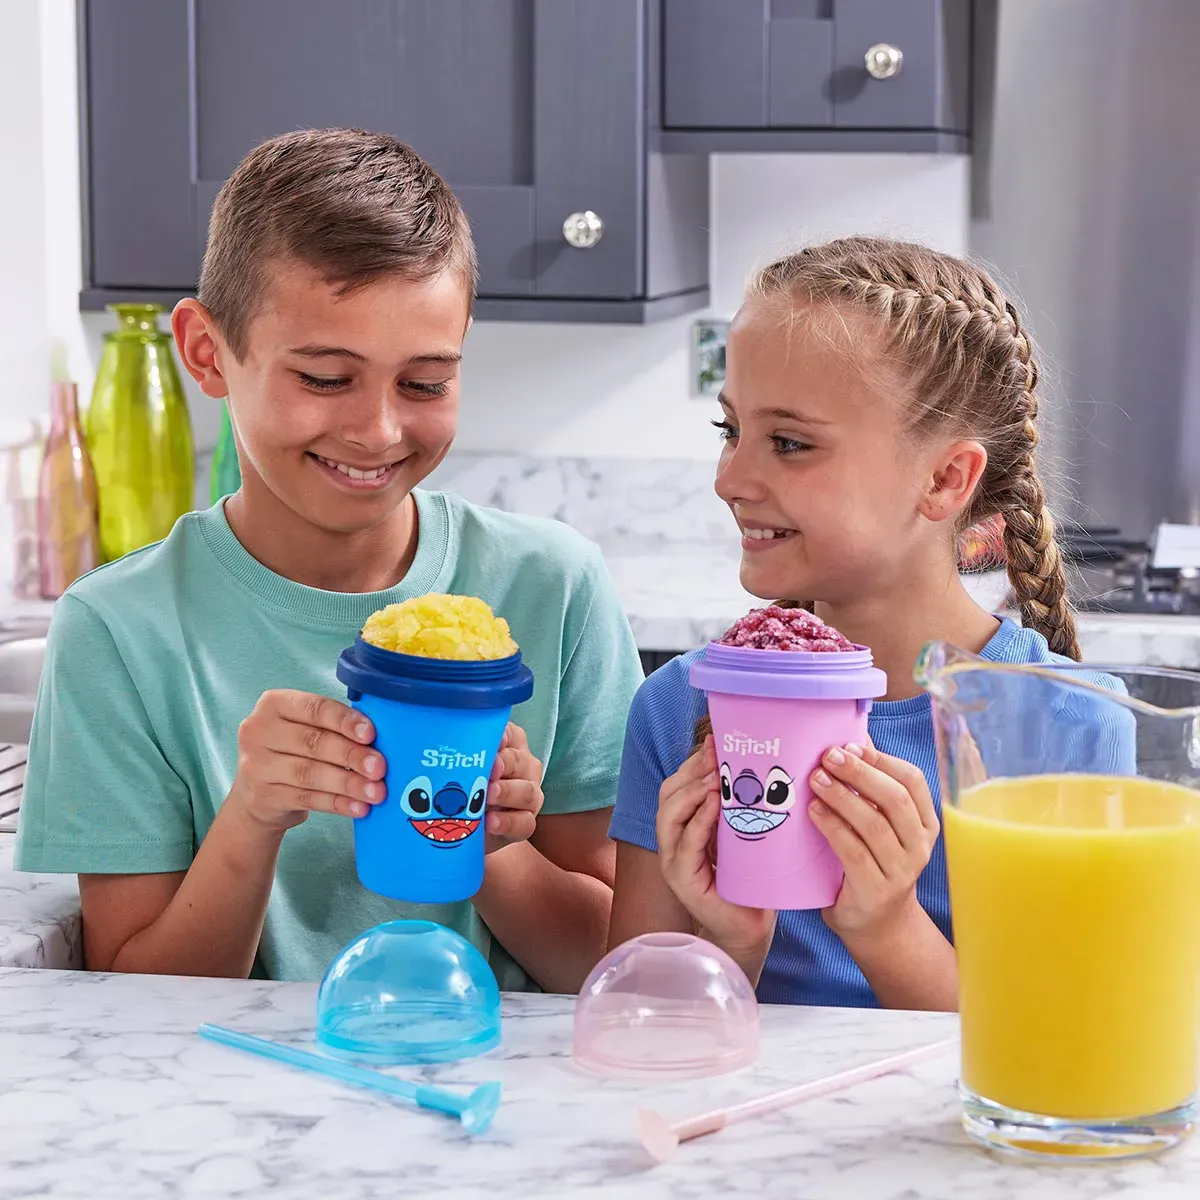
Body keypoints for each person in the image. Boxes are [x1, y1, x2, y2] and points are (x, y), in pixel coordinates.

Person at [16, 128, 642, 992]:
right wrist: (252, 815)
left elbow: (616, 967)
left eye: (425, 383)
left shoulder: (554, 586)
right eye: (323, 378)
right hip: (237, 1073)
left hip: (502, 1069)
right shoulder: (119, 630)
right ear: (206, 353)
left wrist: (481, 840)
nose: (378, 431)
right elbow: (133, 995)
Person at [607, 236, 1131, 1010]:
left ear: (944, 478)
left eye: (790, 443)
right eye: (730, 431)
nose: (731, 479)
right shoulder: (677, 706)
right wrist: (731, 942)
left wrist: (886, 928)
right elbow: (635, 1026)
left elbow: (1059, 1043)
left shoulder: (1075, 729)